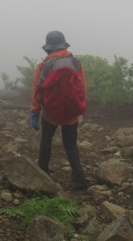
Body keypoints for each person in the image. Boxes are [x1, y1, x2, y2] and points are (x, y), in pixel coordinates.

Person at [30, 30, 88, 190]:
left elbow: (37, 90)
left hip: (50, 111)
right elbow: (82, 87)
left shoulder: (43, 65)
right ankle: (79, 179)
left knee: (46, 141)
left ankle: (43, 172)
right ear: (64, 46)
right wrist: (80, 108)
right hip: (71, 111)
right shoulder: (75, 63)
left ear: (48, 48)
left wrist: (35, 111)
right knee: (71, 145)